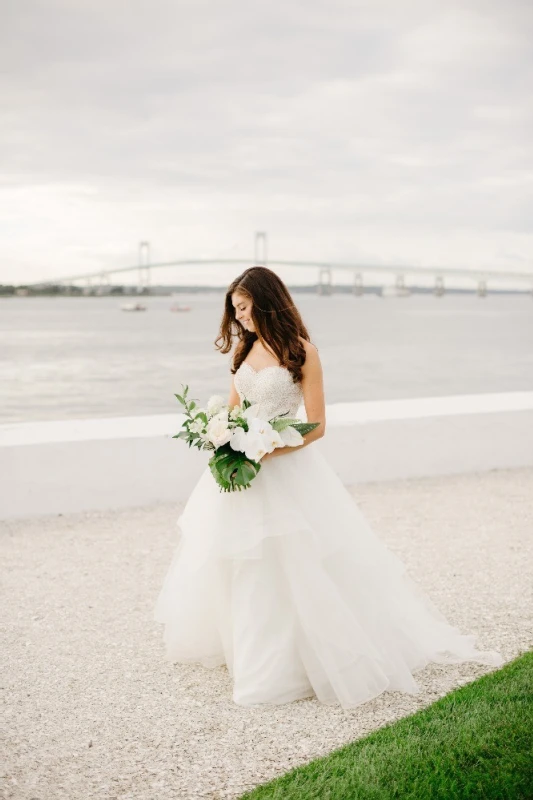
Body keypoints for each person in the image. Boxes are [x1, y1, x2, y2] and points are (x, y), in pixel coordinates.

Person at [153, 266, 503, 708]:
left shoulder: (302, 352)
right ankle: (248, 652)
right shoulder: (241, 354)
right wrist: (224, 437)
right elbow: (234, 410)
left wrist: (267, 448)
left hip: (286, 470)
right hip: (241, 474)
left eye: (243, 308)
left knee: (294, 565)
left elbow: (315, 425)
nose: (238, 318)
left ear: (263, 301)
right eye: (234, 311)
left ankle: (293, 665)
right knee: (243, 565)